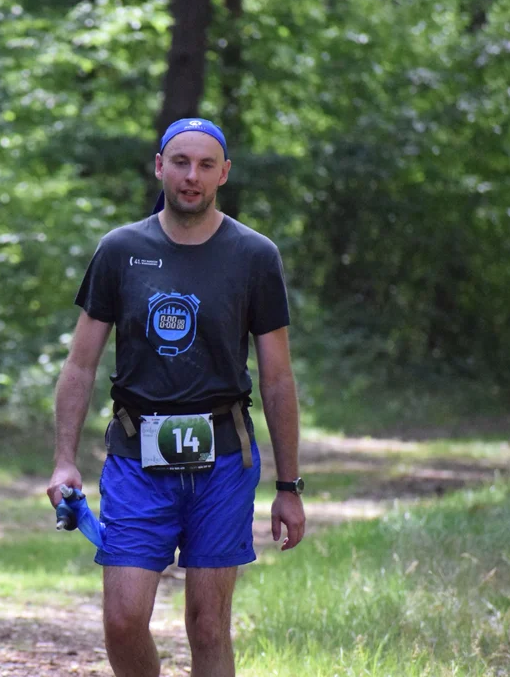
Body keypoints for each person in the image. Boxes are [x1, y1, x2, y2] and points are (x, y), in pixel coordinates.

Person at [47, 118, 306, 677]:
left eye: (206, 165)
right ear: (159, 165)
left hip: (223, 460)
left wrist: (288, 486)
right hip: (136, 456)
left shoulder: (254, 255)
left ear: (224, 173)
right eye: (181, 162)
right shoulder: (120, 249)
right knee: (122, 620)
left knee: (208, 626)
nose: (192, 176)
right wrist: (64, 460)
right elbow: (80, 363)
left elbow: (278, 378)